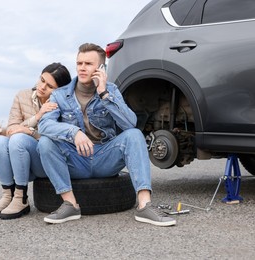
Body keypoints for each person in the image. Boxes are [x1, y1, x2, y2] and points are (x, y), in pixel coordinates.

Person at [37, 43, 176, 226]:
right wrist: (73, 132)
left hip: (105, 157)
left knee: (134, 135)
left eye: (88, 63)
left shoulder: (111, 90)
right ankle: (70, 204)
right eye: (79, 63)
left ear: (101, 68)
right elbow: (44, 125)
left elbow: (129, 123)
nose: (82, 68)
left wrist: (104, 93)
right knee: (45, 142)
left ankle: (144, 205)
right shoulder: (61, 95)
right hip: (76, 159)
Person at [0, 62, 71, 220]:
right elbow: (11, 129)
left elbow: (59, 139)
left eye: (50, 86)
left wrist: (29, 132)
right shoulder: (22, 96)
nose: (42, 87)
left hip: (45, 160)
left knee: (19, 139)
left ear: (59, 89)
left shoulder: (63, 104)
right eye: (42, 80)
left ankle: (21, 198)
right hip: (20, 158)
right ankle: (8, 196)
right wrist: (37, 118)